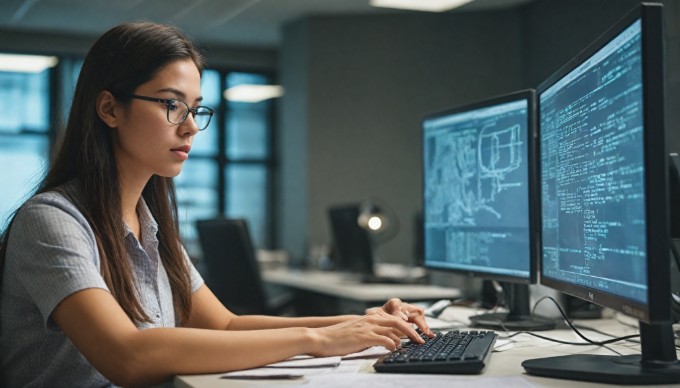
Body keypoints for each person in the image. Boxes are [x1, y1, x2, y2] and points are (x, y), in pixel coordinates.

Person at [0, 22, 433, 387]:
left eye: (195, 109)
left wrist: (359, 325)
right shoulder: (52, 221)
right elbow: (127, 356)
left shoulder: (148, 225)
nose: (191, 127)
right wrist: (318, 339)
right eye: (172, 105)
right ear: (110, 109)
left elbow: (223, 324)